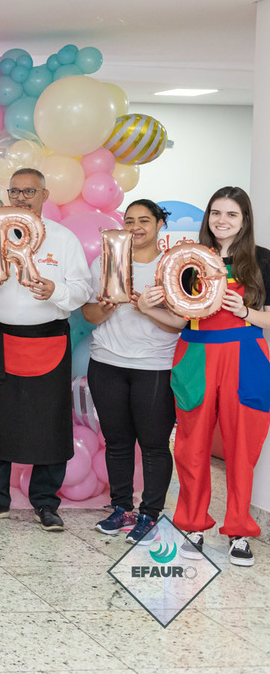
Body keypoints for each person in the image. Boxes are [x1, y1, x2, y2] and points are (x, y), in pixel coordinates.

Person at [138, 186, 270, 566]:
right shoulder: (190, 260)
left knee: (242, 447)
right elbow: (181, 320)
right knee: (190, 445)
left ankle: (239, 531)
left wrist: (245, 312)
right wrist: (147, 308)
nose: (221, 221)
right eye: (216, 213)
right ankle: (192, 525)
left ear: (244, 220)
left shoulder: (262, 260)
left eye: (231, 214)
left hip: (245, 356)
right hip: (195, 353)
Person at [0, 168, 92, 531]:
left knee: (50, 423)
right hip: (2, 341)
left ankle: (46, 503)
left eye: (29, 192)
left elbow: (82, 290)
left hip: (49, 340)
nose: (21, 198)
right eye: (15, 192)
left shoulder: (63, 239)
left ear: (44, 195)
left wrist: (55, 290)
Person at [81, 200, 179, 545]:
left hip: (154, 366)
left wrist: (146, 308)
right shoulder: (105, 262)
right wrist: (107, 309)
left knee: (154, 445)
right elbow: (90, 315)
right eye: (129, 220)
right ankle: (121, 508)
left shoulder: (172, 267)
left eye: (144, 220)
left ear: (159, 224)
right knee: (117, 443)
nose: (136, 227)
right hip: (106, 362)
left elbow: (180, 324)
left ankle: (150, 514)